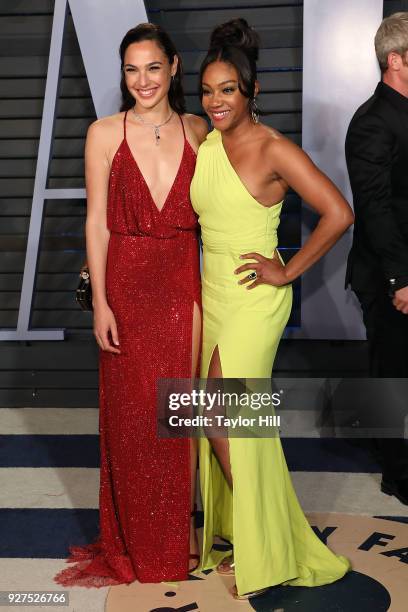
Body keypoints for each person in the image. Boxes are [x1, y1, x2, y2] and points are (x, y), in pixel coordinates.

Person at [190, 18, 354, 600]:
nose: (215, 101)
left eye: (227, 89)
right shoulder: (203, 137)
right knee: (226, 421)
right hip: (211, 295)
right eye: (207, 90)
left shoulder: (274, 148)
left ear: (252, 93)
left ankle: (273, 542)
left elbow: (338, 212)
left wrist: (285, 268)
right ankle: (266, 536)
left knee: (218, 413)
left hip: (255, 300)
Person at [54, 23, 207, 587]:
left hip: (187, 281)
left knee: (184, 414)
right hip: (127, 284)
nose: (142, 80)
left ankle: (178, 538)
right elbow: (95, 220)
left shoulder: (198, 129)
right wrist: (100, 300)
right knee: (132, 419)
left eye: (152, 67)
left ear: (173, 69)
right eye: (131, 69)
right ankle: (138, 542)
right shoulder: (103, 133)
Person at [345, 12, 408, 505]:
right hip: (389, 271)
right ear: (395, 60)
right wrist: (399, 279)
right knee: (392, 369)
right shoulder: (372, 122)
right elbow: (375, 208)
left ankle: (384, 446)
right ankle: (398, 474)